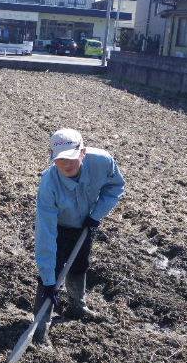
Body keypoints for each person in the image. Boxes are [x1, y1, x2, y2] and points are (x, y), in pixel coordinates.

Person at [34, 128, 125, 345]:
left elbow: (116, 186)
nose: (66, 164)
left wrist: (96, 215)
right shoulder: (48, 185)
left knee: (79, 265)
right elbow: (45, 236)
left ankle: (78, 306)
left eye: (72, 158)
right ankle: (40, 327)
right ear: (53, 158)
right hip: (57, 227)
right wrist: (48, 282)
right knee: (53, 272)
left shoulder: (103, 162)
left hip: (86, 224)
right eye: (61, 159)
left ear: (83, 152)